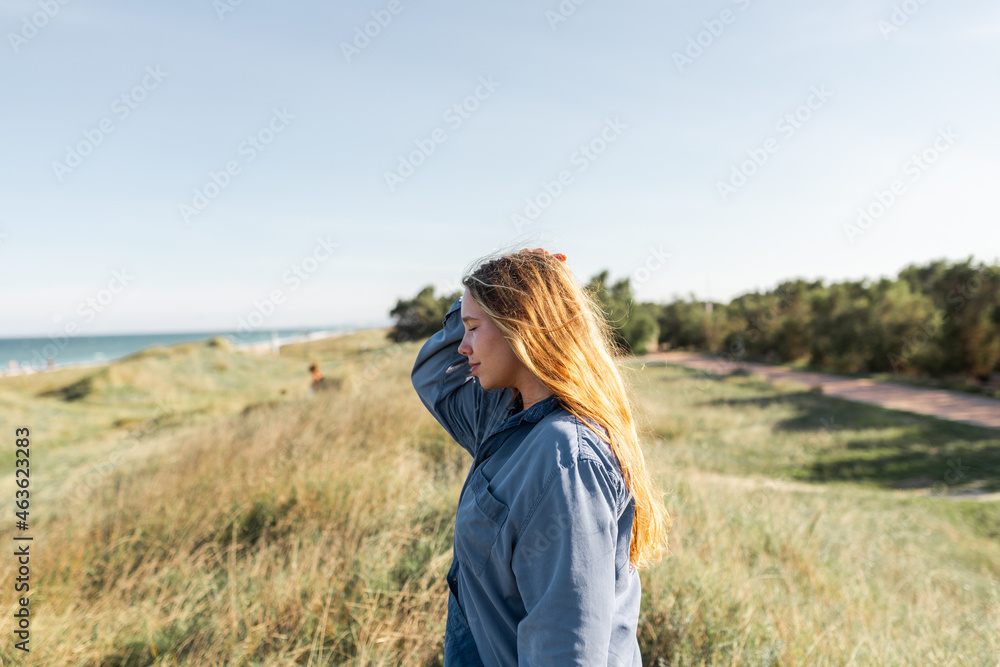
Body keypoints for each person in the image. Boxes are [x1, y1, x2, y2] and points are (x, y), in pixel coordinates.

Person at [411, 247, 671, 666]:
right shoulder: (506, 414)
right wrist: (476, 300)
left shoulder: (566, 460)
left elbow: (567, 652)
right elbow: (432, 378)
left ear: (521, 327)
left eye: (473, 328)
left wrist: (508, 290)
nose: (462, 347)